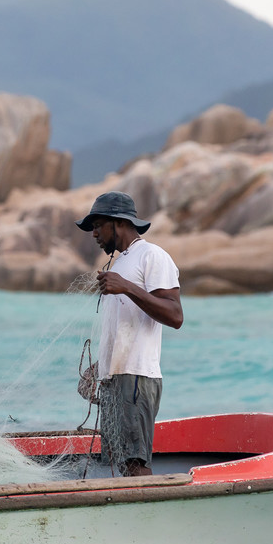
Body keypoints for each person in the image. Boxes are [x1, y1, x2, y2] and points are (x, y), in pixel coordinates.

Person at [76, 191, 182, 476]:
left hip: (136, 378)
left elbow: (175, 316)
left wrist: (127, 287)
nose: (94, 233)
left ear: (118, 223)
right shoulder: (121, 262)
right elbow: (123, 328)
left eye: (98, 225)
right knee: (119, 465)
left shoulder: (152, 256)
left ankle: (147, 517)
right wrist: (99, 369)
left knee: (136, 464)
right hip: (115, 379)